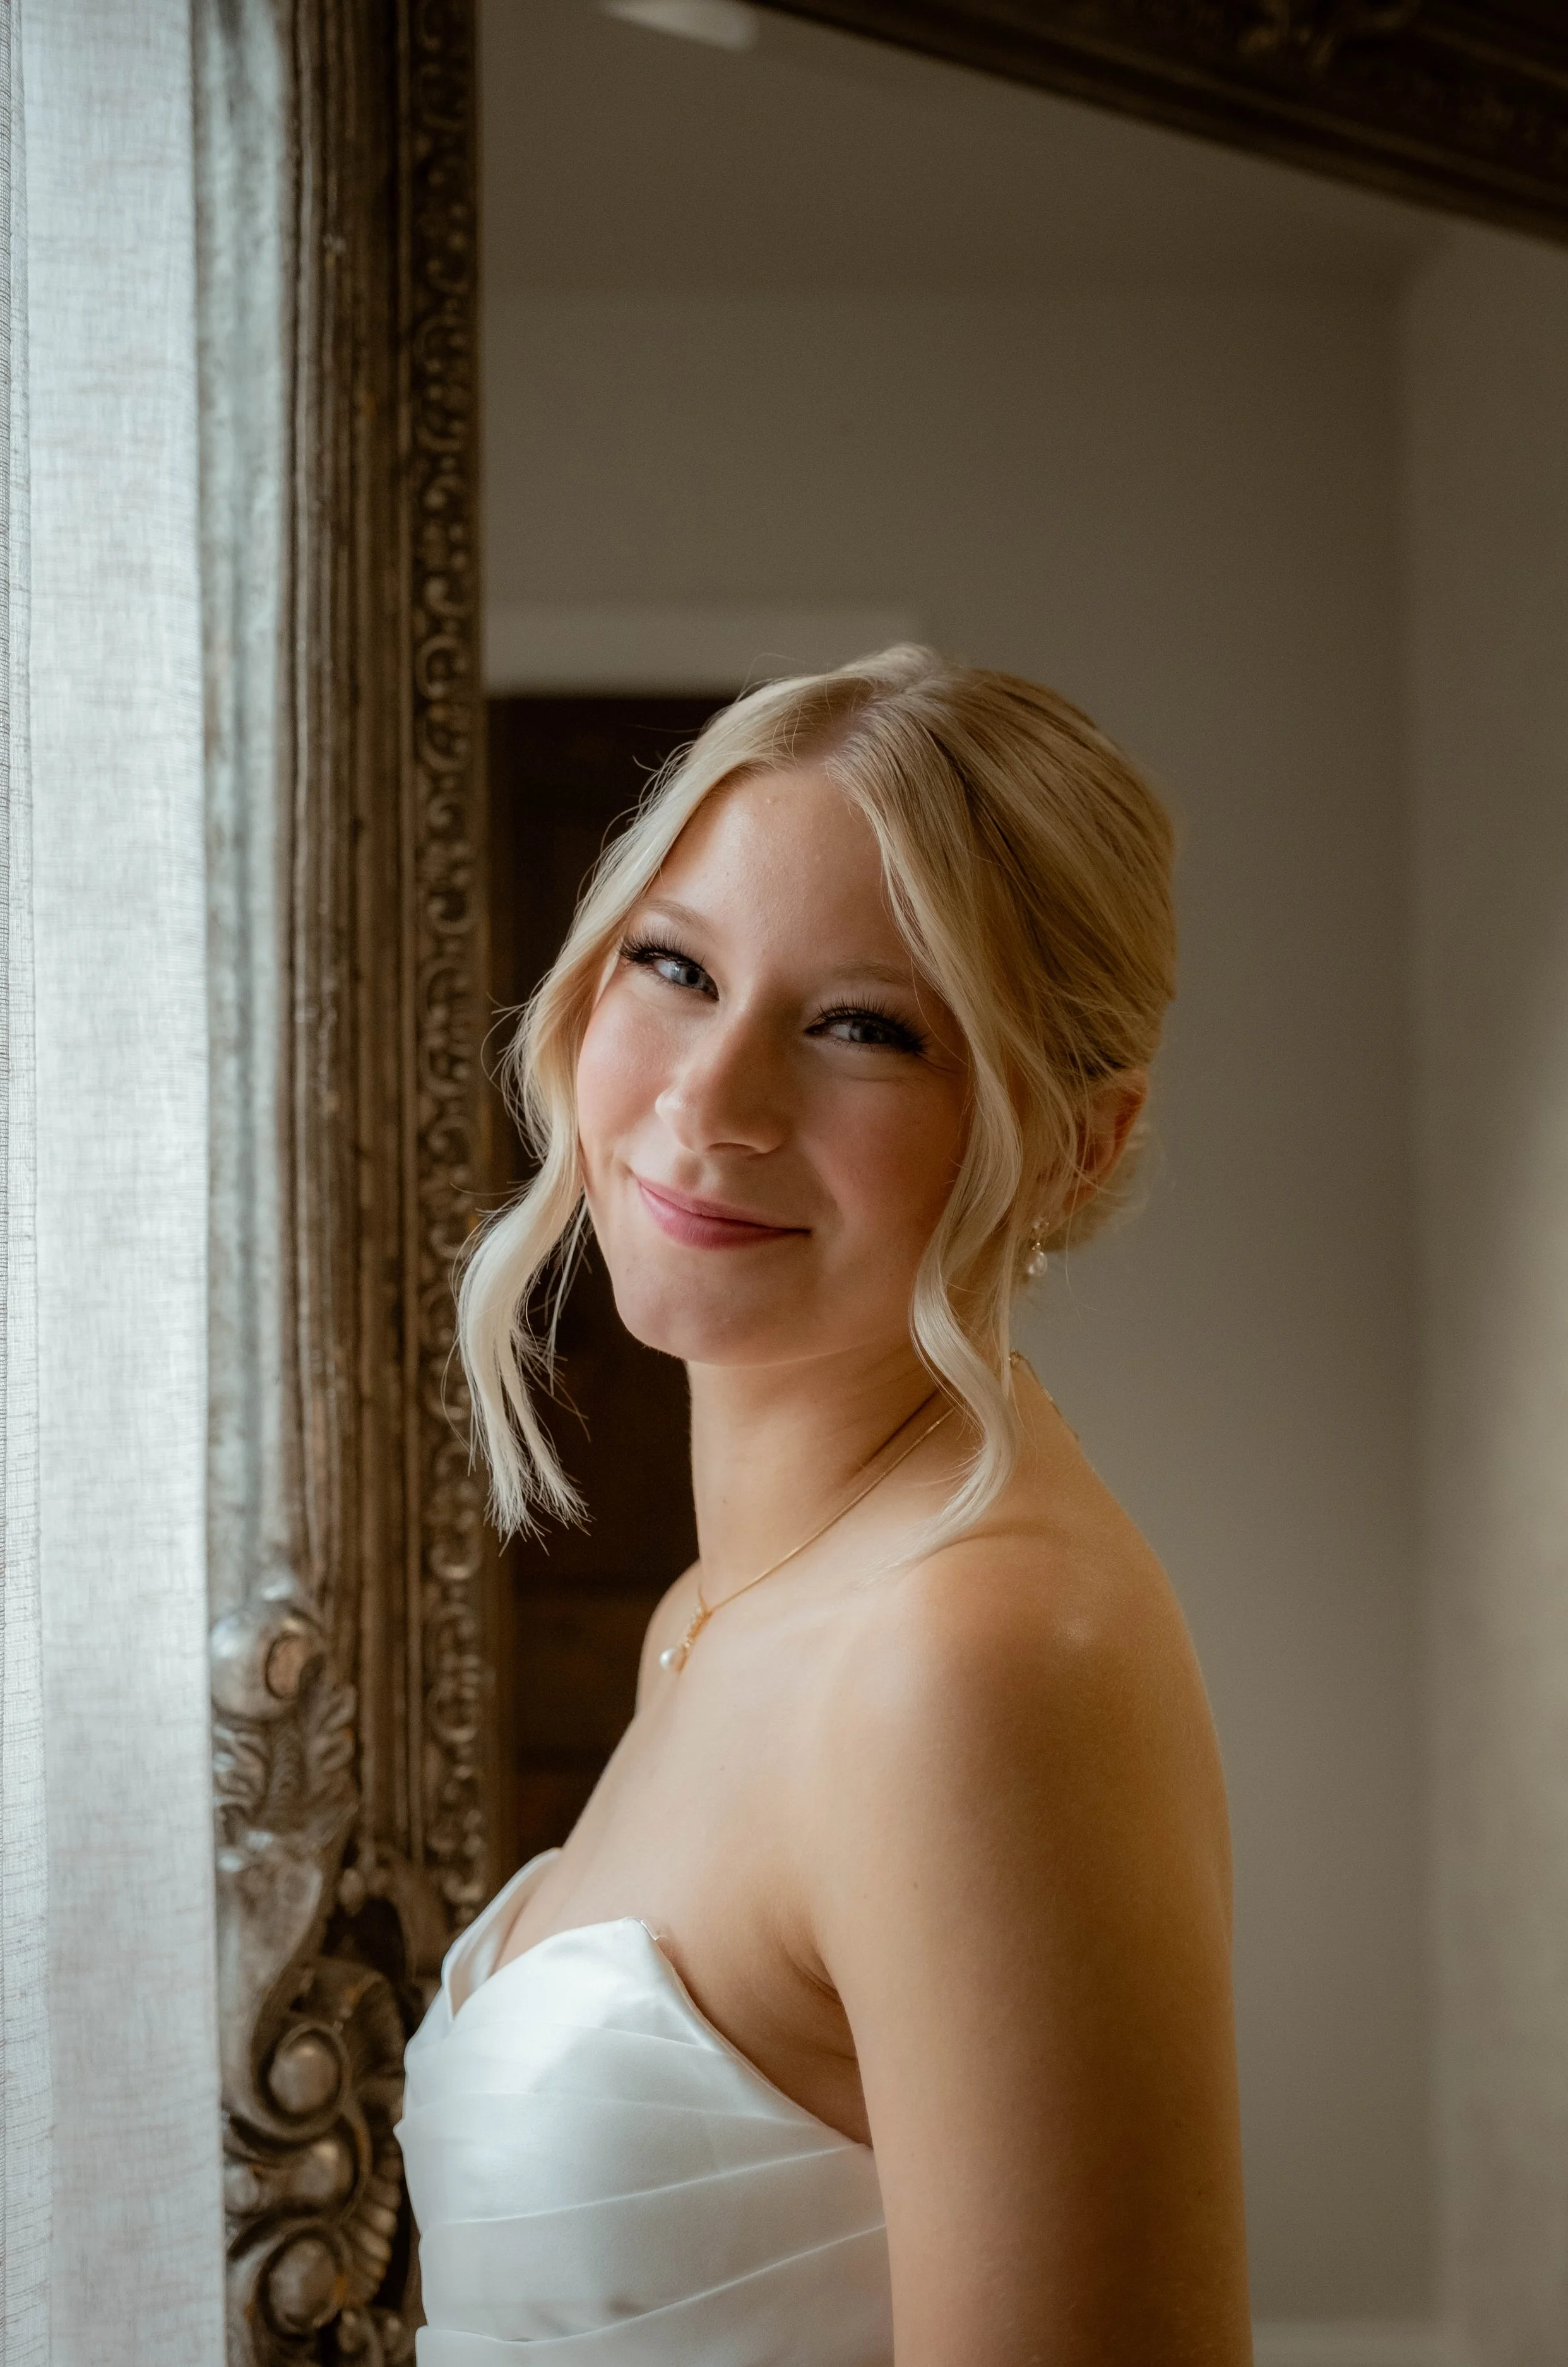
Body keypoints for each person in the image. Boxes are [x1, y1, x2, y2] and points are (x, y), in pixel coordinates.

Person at [398, 646, 1251, 2364]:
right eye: (674, 966)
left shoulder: (970, 1656)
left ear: (1076, 1144)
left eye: (861, 1026)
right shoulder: (718, 1613)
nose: (710, 1101)